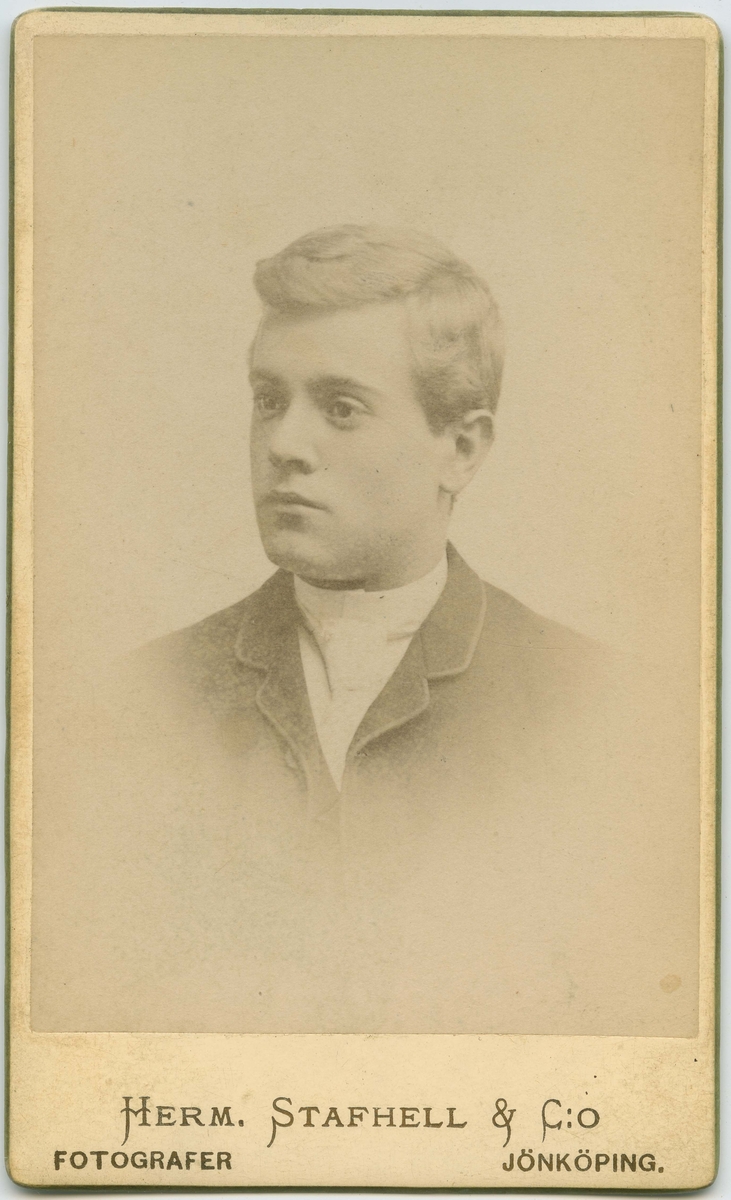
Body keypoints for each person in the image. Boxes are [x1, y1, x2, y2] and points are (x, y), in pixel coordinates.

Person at [32, 226, 698, 1036]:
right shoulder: (135, 705)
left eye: (340, 408)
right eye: (268, 401)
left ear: (461, 448)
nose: (284, 445)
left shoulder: (602, 715)